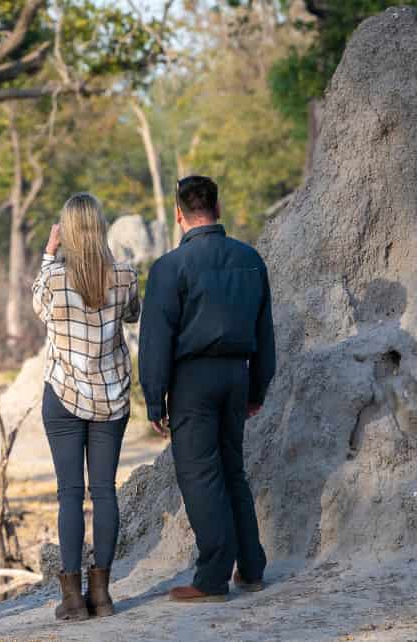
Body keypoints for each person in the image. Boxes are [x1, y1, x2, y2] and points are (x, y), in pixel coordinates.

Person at [138, 175, 275, 602]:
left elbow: (155, 339)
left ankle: (213, 578)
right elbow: (264, 333)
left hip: (192, 381)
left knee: (200, 475)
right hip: (237, 375)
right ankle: (251, 568)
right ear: (217, 209)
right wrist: (258, 389)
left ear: (179, 214)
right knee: (232, 469)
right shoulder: (250, 259)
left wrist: (154, 397)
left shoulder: (169, 268)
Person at [32, 193, 142, 621]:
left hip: (63, 396)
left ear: (67, 232)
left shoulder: (55, 280)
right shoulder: (125, 276)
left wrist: (48, 252)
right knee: (104, 492)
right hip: (111, 398)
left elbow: (39, 305)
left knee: (70, 495)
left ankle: (73, 597)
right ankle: (103, 594)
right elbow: (132, 315)